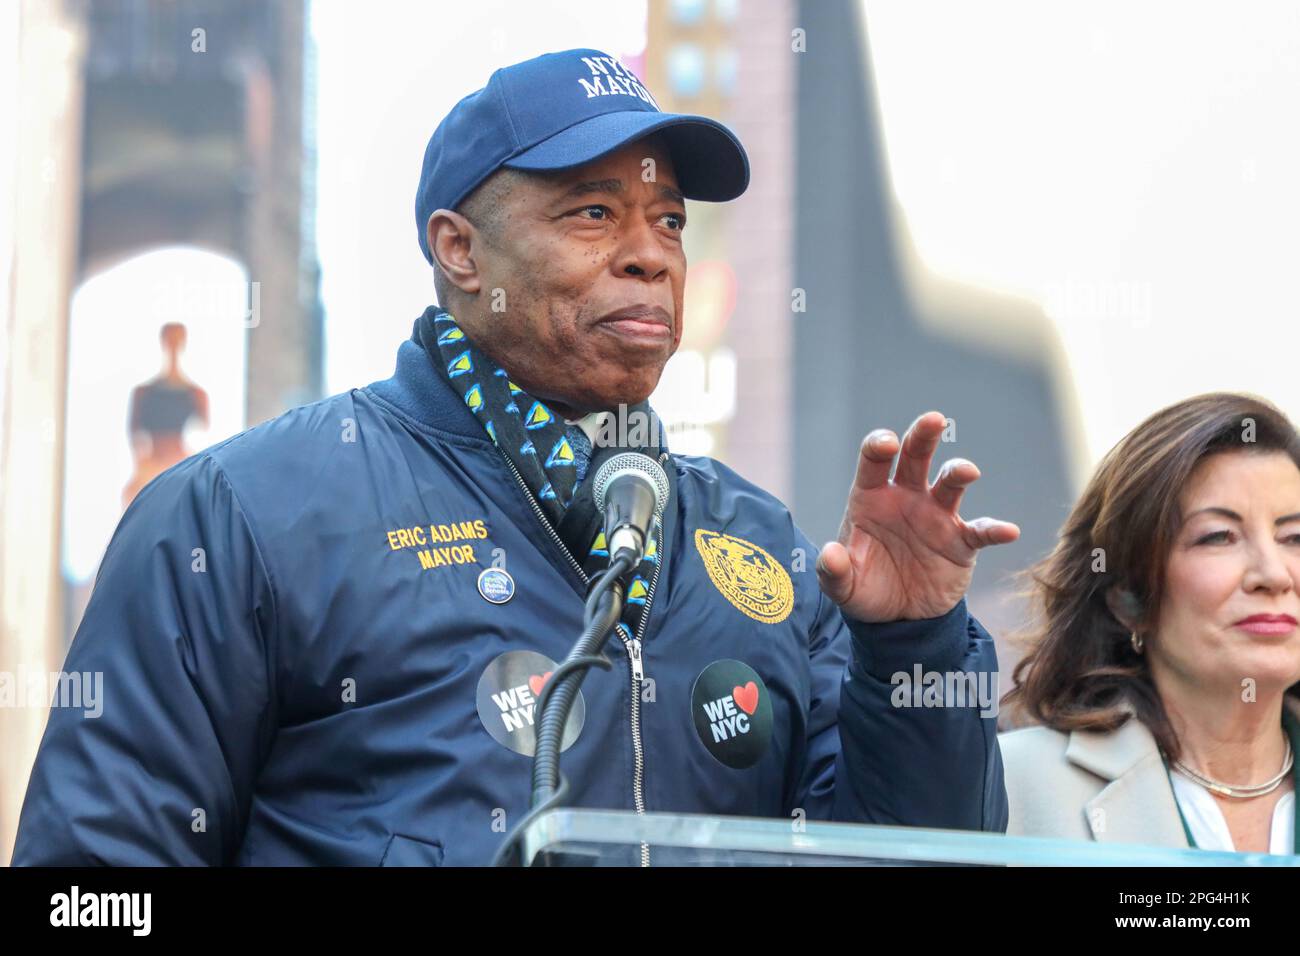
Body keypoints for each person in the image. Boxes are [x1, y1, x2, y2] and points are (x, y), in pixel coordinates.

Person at [14, 49, 1018, 866]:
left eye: (668, 219)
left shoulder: (762, 547)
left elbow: (909, 857)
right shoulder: (237, 513)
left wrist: (913, 647)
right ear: (459, 249)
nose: (652, 253)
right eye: (593, 212)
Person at [1001, 393, 1300, 855]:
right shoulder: (1011, 786)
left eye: (1294, 537)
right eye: (1218, 536)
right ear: (1128, 597)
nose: (1275, 574)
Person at [121, 322, 209, 508]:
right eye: (170, 339)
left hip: (179, 462)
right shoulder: (143, 393)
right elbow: (134, 434)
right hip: (151, 466)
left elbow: (206, 428)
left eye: (177, 339)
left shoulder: (197, 394)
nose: (173, 345)